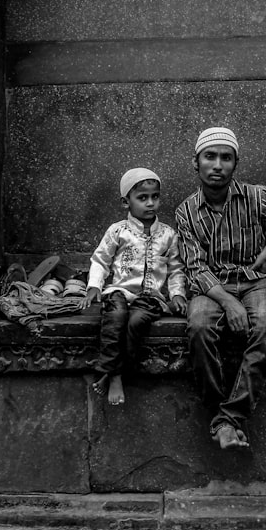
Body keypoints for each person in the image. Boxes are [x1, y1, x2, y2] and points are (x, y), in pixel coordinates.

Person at [175, 127, 266, 450]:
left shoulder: (255, 196)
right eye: (210, 157)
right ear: (196, 163)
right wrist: (228, 303)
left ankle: (228, 419)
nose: (217, 165)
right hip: (212, 285)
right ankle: (222, 413)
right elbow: (195, 268)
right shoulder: (186, 212)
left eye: (226, 158)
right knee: (198, 327)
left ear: (236, 163)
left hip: (256, 279)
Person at [82, 168, 187, 406]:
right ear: (125, 202)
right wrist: (94, 286)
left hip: (150, 297)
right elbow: (101, 260)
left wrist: (178, 293)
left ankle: (110, 372)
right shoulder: (118, 231)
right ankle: (115, 375)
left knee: (136, 321)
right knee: (116, 315)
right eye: (142, 198)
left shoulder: (168, 235)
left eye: (155, 197)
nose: (151, 203)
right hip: (120, 291)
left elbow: (176, 269)